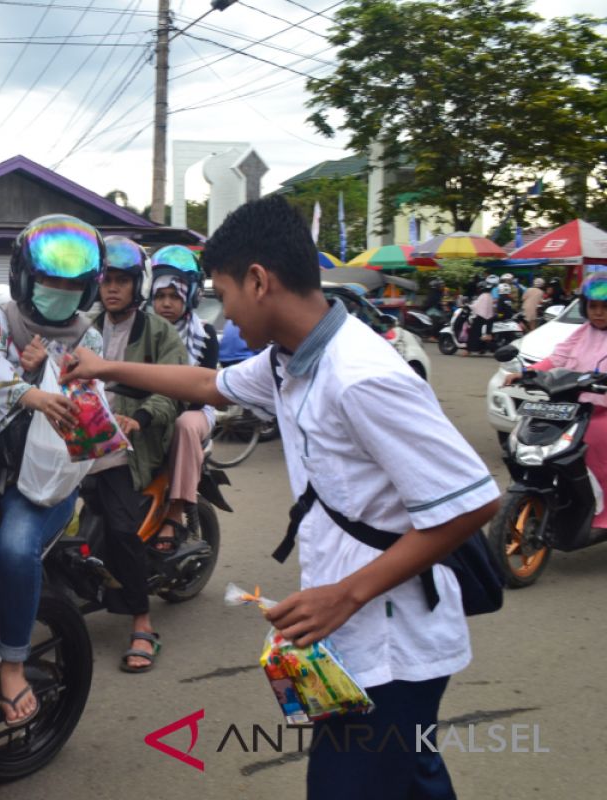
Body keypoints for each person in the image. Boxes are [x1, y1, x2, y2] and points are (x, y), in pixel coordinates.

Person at [63, 194, 499, 800]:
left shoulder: (362, 376)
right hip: (344, 626)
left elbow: (474, 503)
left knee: (346, 785)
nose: (224, 312)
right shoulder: (288, 361)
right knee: (416, 779)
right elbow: (208, 383)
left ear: (260, 281)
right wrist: (106, 370)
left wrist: (344, 596)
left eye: (224, 291)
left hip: (392, 646)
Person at [0, 214, 105, 725]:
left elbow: (92, 413)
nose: (59, 291)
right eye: (51, 280)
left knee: (14, 548)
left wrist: (67, 390)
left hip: (42, 484)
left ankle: (12, 662)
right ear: (26, 277)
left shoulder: (87, 337)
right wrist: (32, 385)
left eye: (72, 284)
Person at [91, 235, 187, 673]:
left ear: (137, 285)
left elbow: (175, 388)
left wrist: (140, 419)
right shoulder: (83, 325)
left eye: (121, 281)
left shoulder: (160, 332)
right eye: (106, 280)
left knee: (119, 525)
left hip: (132, 444)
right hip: (78, 441)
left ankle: (142, 621)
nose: (112, 288)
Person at [505, 273, 607, 532]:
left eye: (605, 307)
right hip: (575, 407)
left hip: (602, 410)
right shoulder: (581, 333)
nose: (599, 313)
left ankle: (601, 511)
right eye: (593, 307)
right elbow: (556, 359)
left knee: (593, 441)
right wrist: (527, 374)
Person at [147, 244, 219, 552]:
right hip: (148, 407)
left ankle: (176, 510)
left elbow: (201, 392)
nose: (166, 304)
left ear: (190, 296)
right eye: (160, 296)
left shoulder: (205, 334)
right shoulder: (143, 330)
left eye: (174, 296)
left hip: (194, 411)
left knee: (186, 424)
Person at [463, 278, 496, 355]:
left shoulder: (483, 296)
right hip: (489, 318)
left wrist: (468, 306)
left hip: (481, 317)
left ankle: (468, 350)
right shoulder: (489, 296)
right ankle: (481, 348)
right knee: (483, 334)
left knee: (473, 333)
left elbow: (475, 306)